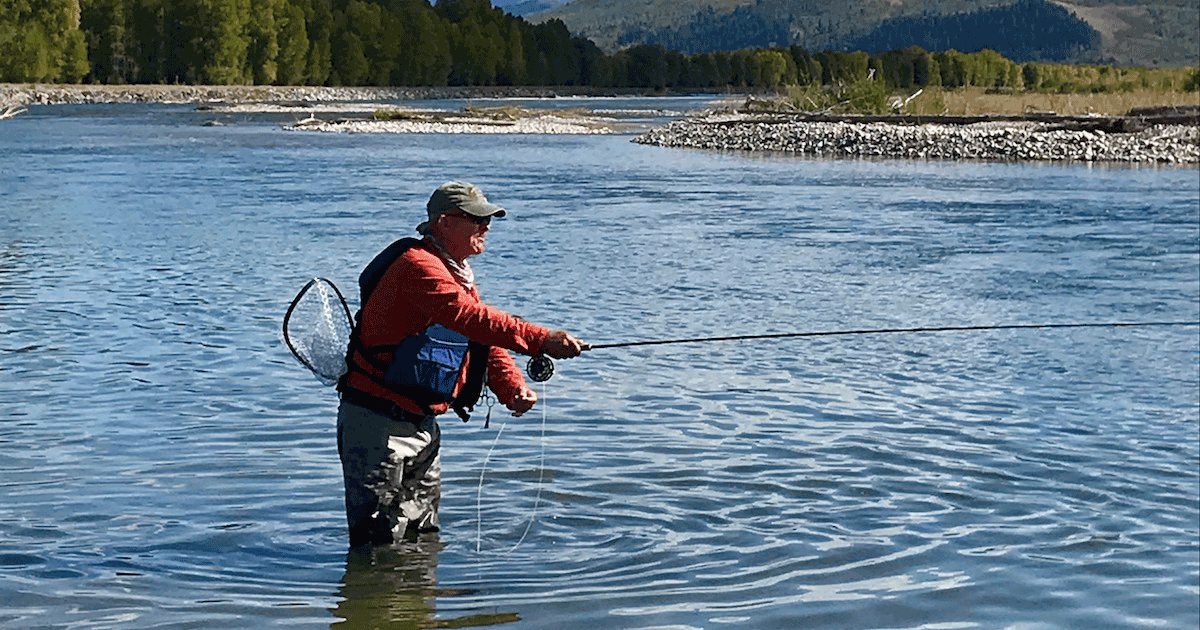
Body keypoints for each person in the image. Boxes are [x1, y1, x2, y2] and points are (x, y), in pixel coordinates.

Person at [336, 180, 586, 547]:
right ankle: (373, 603)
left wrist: (510, 385)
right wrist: (541, 339)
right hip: (377, 424)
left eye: (488, 220)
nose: (485, 227)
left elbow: (477, 336)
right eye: (475, 219)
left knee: (423, 538)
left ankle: (418, 603)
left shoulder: (454, 271)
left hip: (420, 423)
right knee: (378, 547)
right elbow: (468, 317)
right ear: (443, 222)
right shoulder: (417, 266)